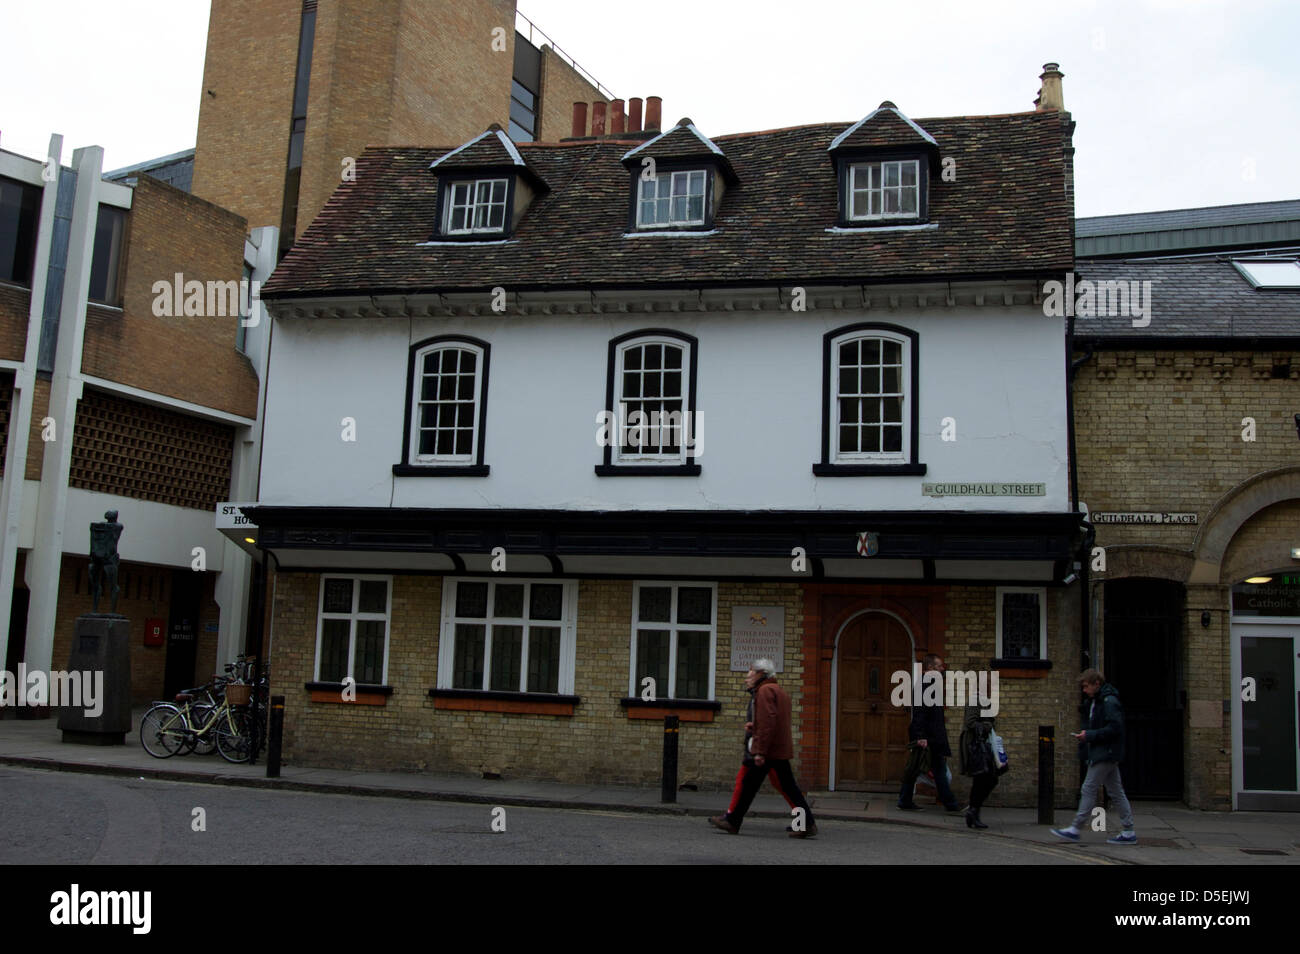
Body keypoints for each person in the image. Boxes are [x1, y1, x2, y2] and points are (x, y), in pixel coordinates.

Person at [709, 659, 818, 838]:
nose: (748, 676)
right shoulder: (778, 690)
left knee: (749, 785)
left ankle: (733, 821)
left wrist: (760, 751)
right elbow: (774, 720)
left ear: (761, 674)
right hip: (778, 748)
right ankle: (806, 823)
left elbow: (768, 722)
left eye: (751, 672)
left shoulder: (764, 691)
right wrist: (755, 726)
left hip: (769, 750)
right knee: (789, 787)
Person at [1052, 669, 1137, 845]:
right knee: (1116, 791)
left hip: (1105, 753)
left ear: (1096, 684)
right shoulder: (1096, 701)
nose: (1084, 690)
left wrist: (1089, 735)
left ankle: (1075, 829)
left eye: (1086, 686)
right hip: (1105, 752)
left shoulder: (1108, 701)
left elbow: (1115, 728)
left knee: (1088, 789)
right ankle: (1128, 831)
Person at [898, 654, 963, 813]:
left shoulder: (930, 684)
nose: (942, 669)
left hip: (930, 736)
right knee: (934, 770)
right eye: (939, 666)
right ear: (930, 668)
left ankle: (905, 800)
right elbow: (920, 712)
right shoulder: (925, 685)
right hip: (927, 737)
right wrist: (920, 736)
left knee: (917, 769)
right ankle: (951, 804)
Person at [958, 703, 1003, 829]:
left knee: (984, 780)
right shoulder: (974, 700)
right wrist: (987, 726)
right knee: (985, 779)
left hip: (984, 746)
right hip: (976, 747)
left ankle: (973, 812)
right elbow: (970, 722)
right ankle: (973, 812)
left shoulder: (985, 700)